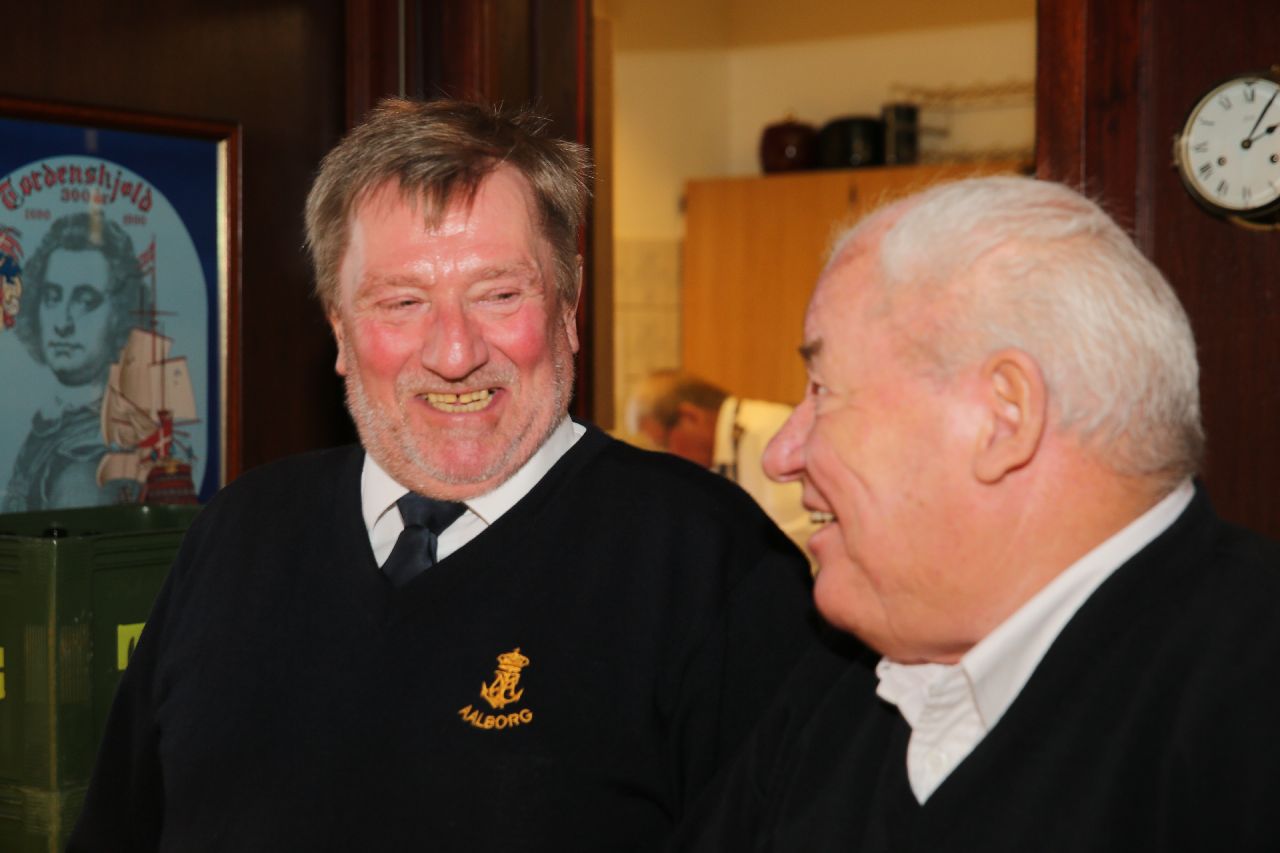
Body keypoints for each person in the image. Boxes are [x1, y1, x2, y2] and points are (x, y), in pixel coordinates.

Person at [69, 98, 816, 852]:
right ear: (339, 327)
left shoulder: (713, 565)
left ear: (568, 305)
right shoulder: (237, 535)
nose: (455, 353)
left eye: (500, 295)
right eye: (402, 302)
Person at [671, 176, 1280, 851]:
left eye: (823, 389)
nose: (780, 455)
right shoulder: (838, 675)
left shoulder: (1248, 708)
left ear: (1003, 417)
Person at [3, 211, 148, 511]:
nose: (63, 323)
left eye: (85, 300)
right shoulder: (52, 422)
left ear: (119, 314)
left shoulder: (87, 468)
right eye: (52, 297)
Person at [629, 370, 818, 560]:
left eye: (664, 444)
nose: (669, 456)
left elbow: (795, 538)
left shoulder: (767, 431)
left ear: (690, 417)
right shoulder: (722, 453)